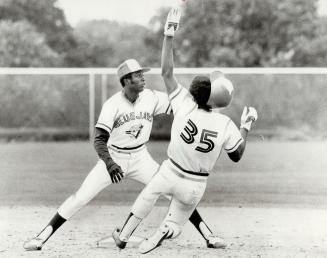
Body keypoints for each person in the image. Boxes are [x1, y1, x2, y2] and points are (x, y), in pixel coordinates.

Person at [23, 58, 226, 251]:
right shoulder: (112, 105)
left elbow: (181, 105)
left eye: (141, 74)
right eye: (138, 75)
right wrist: (110, 164)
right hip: (113, 157)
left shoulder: (151, 97)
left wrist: (205, 97)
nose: (143, 78)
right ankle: (41, 237)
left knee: (175, 192)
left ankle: (209, 236)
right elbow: (99, 140)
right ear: (127, 80)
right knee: (81, 197)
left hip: (141, 158)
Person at [112, 7, 258, 254]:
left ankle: (123, 235)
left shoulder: (184, 104)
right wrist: (246, 126)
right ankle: (166, 229)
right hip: (195, 184)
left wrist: (169, 36)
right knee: (177, 221)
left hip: (169, 171)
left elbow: (167, 72)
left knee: (147, 196)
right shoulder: (224, 124)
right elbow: (237, 154)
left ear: (196, 94)